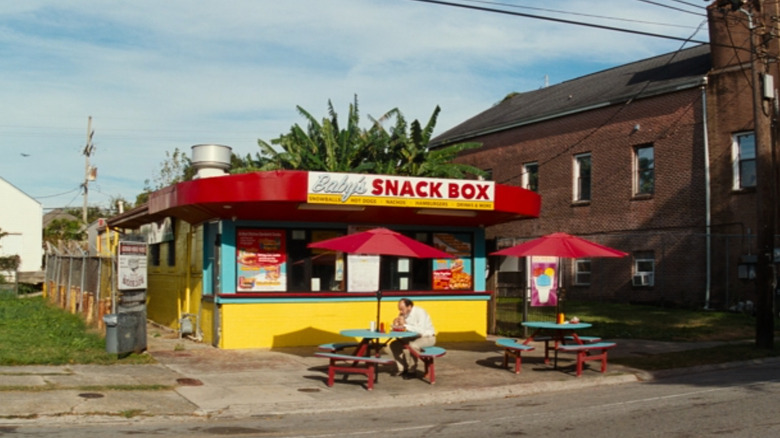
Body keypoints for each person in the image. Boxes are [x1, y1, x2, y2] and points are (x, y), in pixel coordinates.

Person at [388, 298, 436, 379]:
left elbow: (421, 330)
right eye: (399, 309)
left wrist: (405, 325)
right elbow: (403, 328)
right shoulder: (404, 313)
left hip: (427, 337)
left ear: (409, 307)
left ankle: (412, 370)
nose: (400, 311)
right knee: (394, 344)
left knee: (412, 345)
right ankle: (402, 368)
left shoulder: (420, 312)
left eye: (402, 309)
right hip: (413, 337)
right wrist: (396, 324)